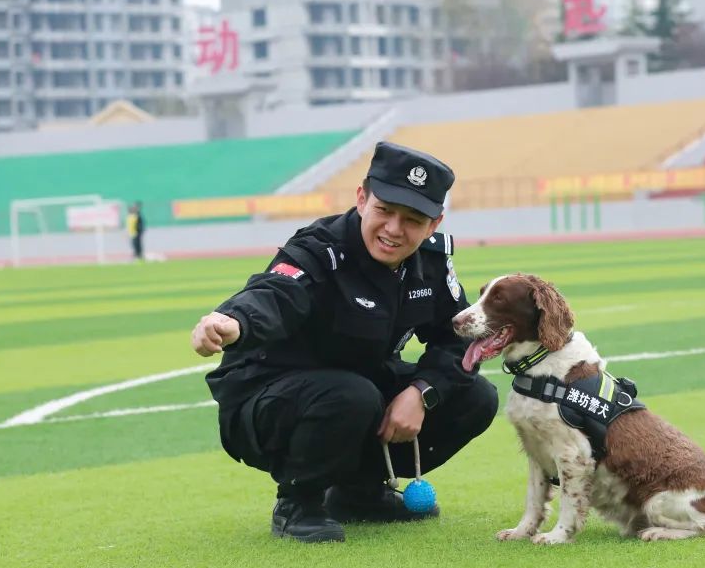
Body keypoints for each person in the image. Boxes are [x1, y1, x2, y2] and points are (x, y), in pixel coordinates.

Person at [190, 142, 499, 543]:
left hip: (354, 390)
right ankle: (298, 502)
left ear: (434, 224)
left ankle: (359, 493)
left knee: (474, 396)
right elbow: (276, 292)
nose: (393, 229)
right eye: (384, 210)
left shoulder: (432, 264)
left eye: (413, 219)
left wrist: (422, 393)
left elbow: (457, 340)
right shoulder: (319, 249)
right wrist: (232, 320)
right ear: (361, 198)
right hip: (266, 398)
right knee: (352, 395)